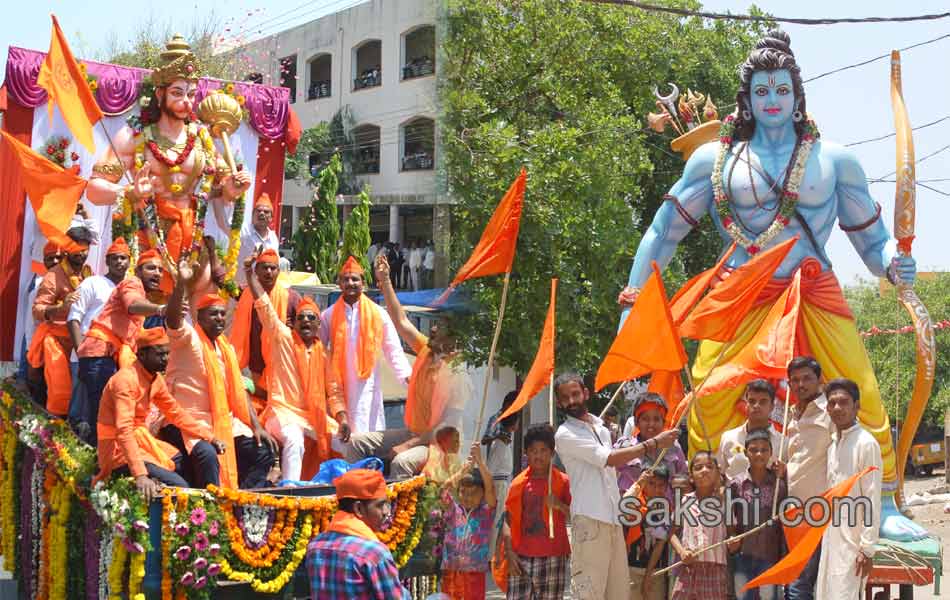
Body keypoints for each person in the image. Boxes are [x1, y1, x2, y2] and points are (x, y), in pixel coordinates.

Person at [619, 29, 916, 543]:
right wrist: (632, 303)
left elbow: (873, 243)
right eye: (762, 91)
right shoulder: (713, 161)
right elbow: (661, 233)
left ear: (798, 95)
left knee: (860, 391)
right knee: (707, 402)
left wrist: (895, 263)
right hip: (737, 296)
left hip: (812, 290)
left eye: (781, 89)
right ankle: (707, 505)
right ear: (747, 98)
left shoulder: (835, 161)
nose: (772, 101)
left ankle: (885, 503)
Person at [86, 35, 251, 293]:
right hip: (148, 240)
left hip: (192, 240)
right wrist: (129, 192)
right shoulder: (134, 135)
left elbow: (224, 188)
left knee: (198, 310)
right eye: (177, 93)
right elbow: (94, 190)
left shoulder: (202, 138)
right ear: (159, 93)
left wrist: (233, 188)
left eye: (191, 94)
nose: (186, 101)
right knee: (145, 314)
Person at [553, 372, 678, 600]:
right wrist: (655, 443)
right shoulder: (565, 434)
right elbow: (609, 458)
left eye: (575, 394)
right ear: (559, 402)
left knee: (618, 593)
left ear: (585, 394)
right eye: (565, 397)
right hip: (590, 521)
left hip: (614, 520)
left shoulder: (601, 429)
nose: (571, 401)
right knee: (589, 593)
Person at [344, 255, 470, 478]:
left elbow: (445, 428)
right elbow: (400, 320)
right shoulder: (426, 349)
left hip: (438, 444)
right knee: (356, 443)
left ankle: (392, 512)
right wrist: (385, 281)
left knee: (402, 461)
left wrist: (409, 445)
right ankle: (356, 496)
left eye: (438, 327)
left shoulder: (457, 375)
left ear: (453, 340)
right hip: (413, 433)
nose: (432, 330)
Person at [162, 259, 277, 489]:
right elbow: (173, 320)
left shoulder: (227, 349)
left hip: (223, 420)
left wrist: (256, 425)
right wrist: (181, 285)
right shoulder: (190, 340)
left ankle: (239, 502)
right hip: (189, 421)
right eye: (213, 314)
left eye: (223, 315)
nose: (219, 319)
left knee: (262, 452)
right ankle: (210, 513)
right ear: (199, 317)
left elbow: (240, 391)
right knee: (207, 454)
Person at [243, 253, 349, 481]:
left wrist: (343, 419)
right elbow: (264, 306)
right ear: (295, 322)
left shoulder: (322, 352)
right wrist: (250, 274)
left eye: (311, 318)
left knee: (347, 442)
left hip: (313, 416)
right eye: (301, 318)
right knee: (294, 439)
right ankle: (291, 492)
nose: (306, 321)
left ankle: (340, 493)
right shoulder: (283, 339)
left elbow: (334, 391)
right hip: (281, 412)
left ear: (319, 324)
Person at [93, 327, 226, 500]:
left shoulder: (155, 379)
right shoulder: (124, 380)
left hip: (141, 443)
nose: (166, 359)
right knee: (180, 488)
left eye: (167, 354)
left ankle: (204, 515)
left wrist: (209, 437)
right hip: (118, 450)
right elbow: (123, 430)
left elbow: (176, 413)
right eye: (160, 354)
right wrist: (140, 475)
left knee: (187, 466)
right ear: (141, 355)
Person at [71, 249, 167, 445]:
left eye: (160, 270)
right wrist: (160, 309)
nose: (157, 273)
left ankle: (100, 462)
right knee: (102, 416)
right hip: (99, 354)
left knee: (101, 414)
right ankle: (98, 468)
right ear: (138, 271)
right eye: (151, 268)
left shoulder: (143, 294)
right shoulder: (132, 284)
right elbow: (132, 304)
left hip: (106, 356)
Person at [319, 256, 412, 435]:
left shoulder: (378, 314)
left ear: (363, 283)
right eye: (346, 279)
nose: (350, 283)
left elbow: (393, 349)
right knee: (342, 437)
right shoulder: (328, 315)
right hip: (339, 385)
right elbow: (318, 350)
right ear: (339, 284)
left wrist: (407, 377)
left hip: (367, 387)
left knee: (367, 432)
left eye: (355, 279)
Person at [816, 378, 883, 599]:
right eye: (832, 403)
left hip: (853, 545)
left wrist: (866, 548)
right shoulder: (833, 444)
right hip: (831, 537)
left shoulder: (866, 443)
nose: (837, 408)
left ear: (856, 406)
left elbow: (872, 498)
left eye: (843, 402)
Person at [306, 469, 411, 599]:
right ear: (358, 509)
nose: (386, 512)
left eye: (387, 505)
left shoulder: (315, 545)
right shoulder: (374, 553)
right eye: (380, 505)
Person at [498, 424, 571, 600]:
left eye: (543, 450)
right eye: (533, 451)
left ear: (552, 453)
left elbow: (576, 516)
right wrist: (509, 551)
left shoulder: (562, 481)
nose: (538, 456)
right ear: (526, 453)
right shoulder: (518, 483)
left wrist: (559, 505)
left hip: (553, 556)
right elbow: (508, 519)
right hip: (520, 556)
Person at [28, 226, 94, 416]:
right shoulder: (54, 276)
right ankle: (55, 437)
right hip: (57, 341)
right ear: (66, 248)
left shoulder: (89, 274)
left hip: (81, 341)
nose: (81, 254)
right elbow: (37, 310)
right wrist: (60, 307)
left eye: (84, 250)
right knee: (60, 390)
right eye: (76, 249)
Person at [783, 356, 833, 599]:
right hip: (795, 516)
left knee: (805, 585)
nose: (800, 384)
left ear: (819, 380)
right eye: (795, 380)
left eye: (806, 379)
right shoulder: (792, 415)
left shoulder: (831, 412)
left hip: (823, 514)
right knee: (799, 583)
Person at [231, 248, 301, 415]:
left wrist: (292, 330)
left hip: (281, 368)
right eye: (264, 267)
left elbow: (305, 331)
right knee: (258, 410)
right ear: (256, 270)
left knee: (278, 411)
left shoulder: (292, 298)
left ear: (278, 271)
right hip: (254, 368)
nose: (269, 272)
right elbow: (222, 281)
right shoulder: (244, 293)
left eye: (273, 268)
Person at [729, 428, 787, 600]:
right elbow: (729, 517)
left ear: (771, 453)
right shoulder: (736, 484)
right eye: (754, 449)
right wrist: (732, 536)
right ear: (746, 453)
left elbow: (783, 520)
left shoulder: (778, 485)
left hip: (770, 555)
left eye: (764, 450)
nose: (759, 454)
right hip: (743, 555)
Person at [669, 452, 734, 600]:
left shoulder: (724, 502)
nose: (704, 470)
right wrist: (681, 552)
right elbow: (672, 533)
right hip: (688, 568)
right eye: (698, 467)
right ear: (691, 476)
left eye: (710, 467)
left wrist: (733, 541)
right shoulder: (685, 501)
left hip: (715, 570)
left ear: (717, 474)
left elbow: (732, 534)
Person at [440, 442, 497, 600]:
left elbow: (491, 488)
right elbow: (443, 489)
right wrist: (463, 470)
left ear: (483, 495)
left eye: (474, 493)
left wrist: (480, 462)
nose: (468, 497)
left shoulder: (486, 512)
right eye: (463, 492)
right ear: (458, 493)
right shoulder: (453, 510)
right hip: (451, 571)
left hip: (475, 572)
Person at [613, 392, 687, 496]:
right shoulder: (625, 447)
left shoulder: (673, 447)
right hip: (631, 509)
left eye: (656, 419)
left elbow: (683, 477)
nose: (651, 424)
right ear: (636, 422)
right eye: (645, 419)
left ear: (664, 422)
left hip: (666, 509)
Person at [67, 237, 131, 350]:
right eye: (114, 258)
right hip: (89, 354)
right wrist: (80, 351)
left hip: (118, 355)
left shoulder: (131, 287)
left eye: (123, 258)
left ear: (129, 262)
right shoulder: (92, 283)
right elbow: (73, 318)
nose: (119, 261)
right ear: (107, 261)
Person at [717, 380, 785, 479]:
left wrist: (784, 471)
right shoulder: (729, 438)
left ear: (772, 407)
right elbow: (720, 475)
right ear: (746, 405)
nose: (756, 406)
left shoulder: (783, 442)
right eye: (752, 401)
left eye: (763, 402)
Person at [625, 465, 671, 600]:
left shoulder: (666, 508)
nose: (656, 489)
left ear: (666, 486)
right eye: (651, 483)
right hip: (630, 569)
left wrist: (648, 576)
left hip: (656, 571)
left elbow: (659, 545)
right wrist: (639, 483)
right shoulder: (634, 502)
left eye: (661, 485)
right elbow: (621, 508)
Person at [18, 242, 64, 381]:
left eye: (58, 257)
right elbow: (30, 324)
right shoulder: (39, 285)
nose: (55, 261)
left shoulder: (70, 281)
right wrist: (31, 351)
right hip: (43, 345)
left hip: (63, 344)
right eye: (50, 258)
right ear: (44, 262)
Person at [482, 390, 521, 551]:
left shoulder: (506, 442)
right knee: (495, 520)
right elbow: (486, 440)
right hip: (496, 481)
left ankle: (496, 552)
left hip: (502, 479)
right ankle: (490, 554)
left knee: (500, 519)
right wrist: (497, 438)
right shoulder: (496, 421)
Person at [236, 194, 280, 287]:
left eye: (266, 211)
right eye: (258, 211)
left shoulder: (273, 238)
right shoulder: (242, 230)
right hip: (240, 288)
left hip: (263, 290)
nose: (262, 213)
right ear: (252, 215)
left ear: (271, 218)